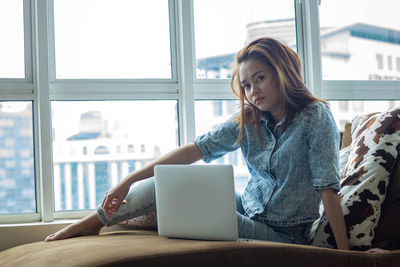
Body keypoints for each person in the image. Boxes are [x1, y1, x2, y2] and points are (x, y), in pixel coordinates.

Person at [45, 37, 349, 250]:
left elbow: (327, 188)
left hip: (287, 234)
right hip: (251, 207)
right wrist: (126, 181)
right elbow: (195, 149)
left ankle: (144, 219)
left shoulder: (315, 116)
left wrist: (345, 255)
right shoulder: (250, 118)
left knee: (202, 215)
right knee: (165, 185)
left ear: (282, 73)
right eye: (246, 84)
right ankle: (94, 222)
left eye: (260, 78)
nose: (253, 90)